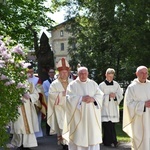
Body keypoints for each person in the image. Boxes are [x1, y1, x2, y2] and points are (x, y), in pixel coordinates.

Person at [63, 66, 103, 150]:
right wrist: (81, 99)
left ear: (88, 74)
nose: (83, 75)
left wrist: (93, 99)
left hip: (91, 116)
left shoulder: (93, 84)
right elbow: (68, 98)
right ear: (78, 74)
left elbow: (100, 95)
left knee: (92, 136)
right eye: (81, 73)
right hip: (78, 117)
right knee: (79, 136)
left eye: (85, 73)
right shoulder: (72, 85)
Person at [47, 58, 72, 150]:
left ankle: (70, 144)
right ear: (59, 73)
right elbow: (51, 96)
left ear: (68, 73)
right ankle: (64, 144)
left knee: (71, 126)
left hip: (71, 109)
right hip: (60, 109)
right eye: (62, 72)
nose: (64, 74)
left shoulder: (72, 83)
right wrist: (61, 94)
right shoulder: (54, 84)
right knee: (62, 126)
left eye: (66, 72)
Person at [123, 65, 150, 150]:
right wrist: (143, 105)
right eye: (141, 73)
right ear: (136, 74)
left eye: (146, 73)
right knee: (140, 141)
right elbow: (128, 104)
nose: (144, 75)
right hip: (138, 120)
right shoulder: (132, 87)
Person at [9, 82, 39, 150]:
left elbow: (36, 94)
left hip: (28, 109)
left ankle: (27, 144)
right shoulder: (12, 83)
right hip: (17, 108)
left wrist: (30, 96)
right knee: (18, 126)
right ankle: (19, 144)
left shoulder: (30, 83)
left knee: (28, 126)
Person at [99, 68, 123, 147]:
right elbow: (99, 97)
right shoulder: (101, 85)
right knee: (107, 124)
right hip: (105, 109)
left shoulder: (116, 85)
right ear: (105, 75)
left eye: (112, 77)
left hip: (113, 108)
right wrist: (108, 96)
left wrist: (115, 96)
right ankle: (114, 141)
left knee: (112, 124)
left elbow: (120, 95)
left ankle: (106, 142)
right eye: (109, 76)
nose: (110, 78)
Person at [27, 65, 47, 138]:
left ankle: (36, 135)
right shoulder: (24, 80)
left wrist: (33, 92)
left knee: (36, 120)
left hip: (35, 102)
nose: (31, 73)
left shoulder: (37, 79)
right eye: (29, 72)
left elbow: (40, 90)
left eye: (32, 71)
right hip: (26, 102)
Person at [42, 68, 55, 136]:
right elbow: (44, 92)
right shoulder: (45, 82)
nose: (52, 73)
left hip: (56, 101)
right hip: (49, 101)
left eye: (53, 72)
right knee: (49, 115)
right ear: (48, 73)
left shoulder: (57, 81)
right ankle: (48, 130)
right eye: (51, 72)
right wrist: (52, 95)